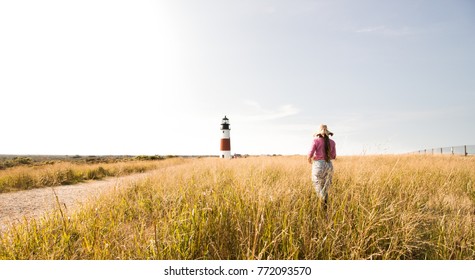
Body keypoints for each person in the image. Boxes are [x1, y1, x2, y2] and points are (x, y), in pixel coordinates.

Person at [307, 124, 336, 208]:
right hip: (329, 165)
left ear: (318, 134)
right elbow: (333, 156)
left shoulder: (315, 141)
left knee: (317, 183)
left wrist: (310, 161)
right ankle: (325, 207)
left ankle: (322, 200)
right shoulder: (332, 142)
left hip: (318, 164)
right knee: (326, 186)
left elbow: (310, 154)